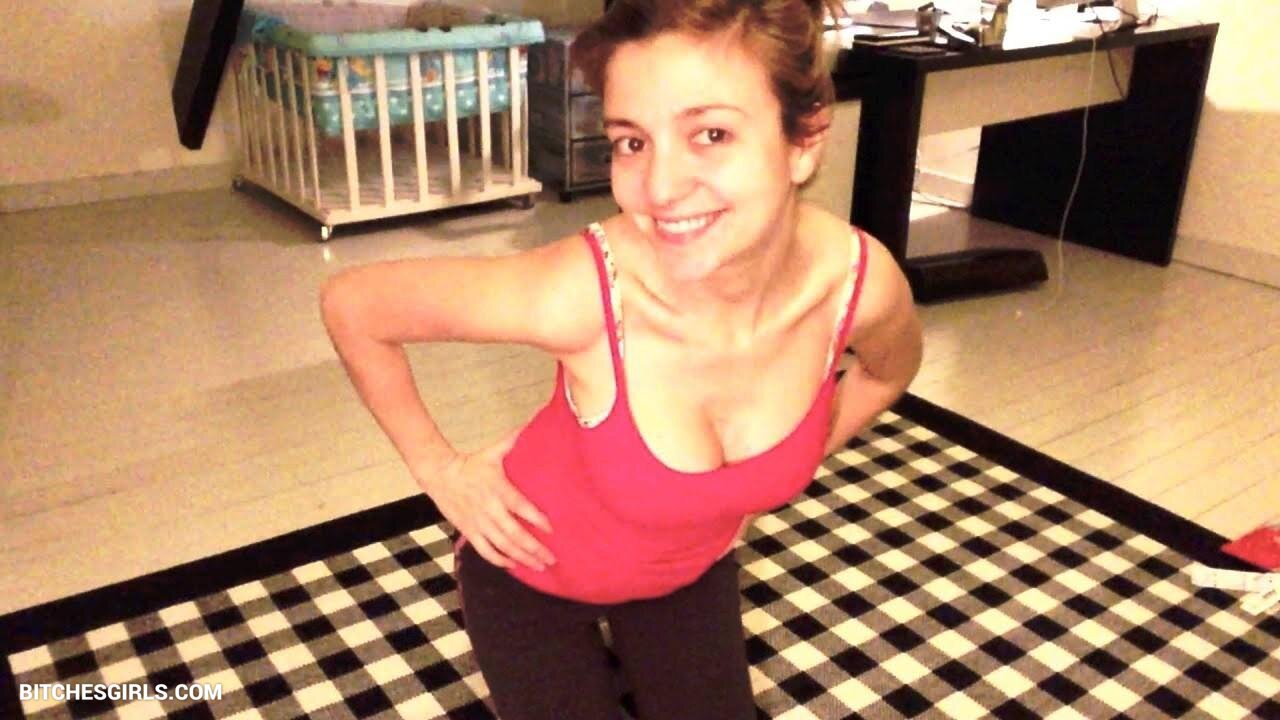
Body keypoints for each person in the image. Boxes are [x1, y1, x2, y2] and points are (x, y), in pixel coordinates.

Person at [320, 0, 923, 717]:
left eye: (710, 133)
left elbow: (889, 369)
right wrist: (440, 471)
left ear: (805, 140)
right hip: (531, 573)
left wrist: (760, 478)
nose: (660, 189)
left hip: (690, 572)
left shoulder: (858, 285)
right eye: (631, 142)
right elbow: (354, 305)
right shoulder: (579, 292)